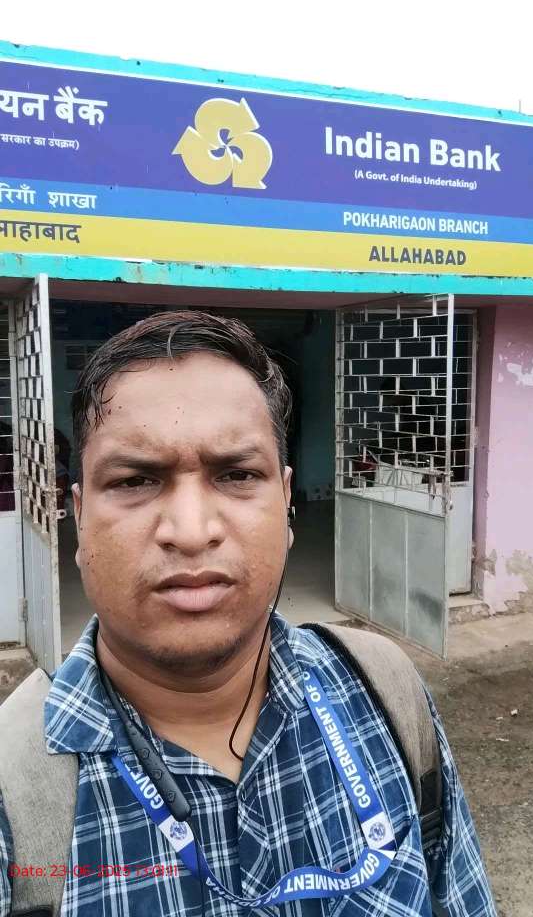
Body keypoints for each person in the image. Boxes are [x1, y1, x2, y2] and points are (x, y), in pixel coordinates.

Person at [0, 311, 496, 916]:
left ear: (286, 503)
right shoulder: (13, 789)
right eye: (135, 480)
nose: (191, 532)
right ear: (78, 517)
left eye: (236, 474)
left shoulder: (384, 694)